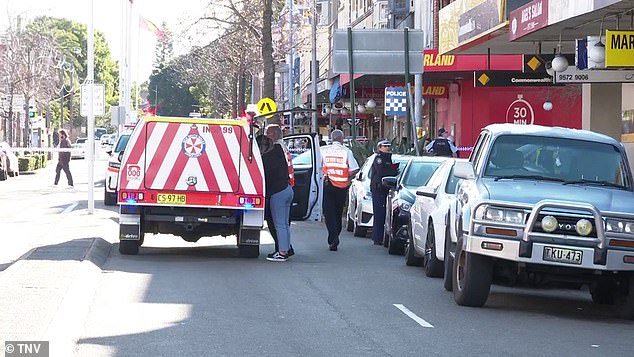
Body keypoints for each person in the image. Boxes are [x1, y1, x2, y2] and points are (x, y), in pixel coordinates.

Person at [320, 129, 359, 251]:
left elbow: (317, 166)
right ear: (342, 139)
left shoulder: (323, 150)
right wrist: (347, 176)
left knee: (328, 212)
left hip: (327, 184)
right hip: (342, 186)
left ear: (332, 139)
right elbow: (354, 168)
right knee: (337, 213)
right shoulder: (346, 151)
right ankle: (335, 234)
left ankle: (333, 237)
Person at [261, 125, 295, 262]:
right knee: (284, 224)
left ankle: (282, 252)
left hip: (278, 192)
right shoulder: (283, 148)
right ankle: (286, 249)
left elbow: (266, 170)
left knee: (279, 224)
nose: (265, 137)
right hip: (287, 189)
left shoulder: (274, 150)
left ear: (274, 135)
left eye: (267, 134)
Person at [370, 140, 399, 245]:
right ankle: (377, 238)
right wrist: (393, 171)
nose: (387, 148)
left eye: (388, 146)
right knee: (379, 214)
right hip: (379, 190)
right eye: (385, 146)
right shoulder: (379, 159)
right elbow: (381, 173)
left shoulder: (389, 158)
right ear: (379, 148)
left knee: (385, 215)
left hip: (387, 190)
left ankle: (382, 237)